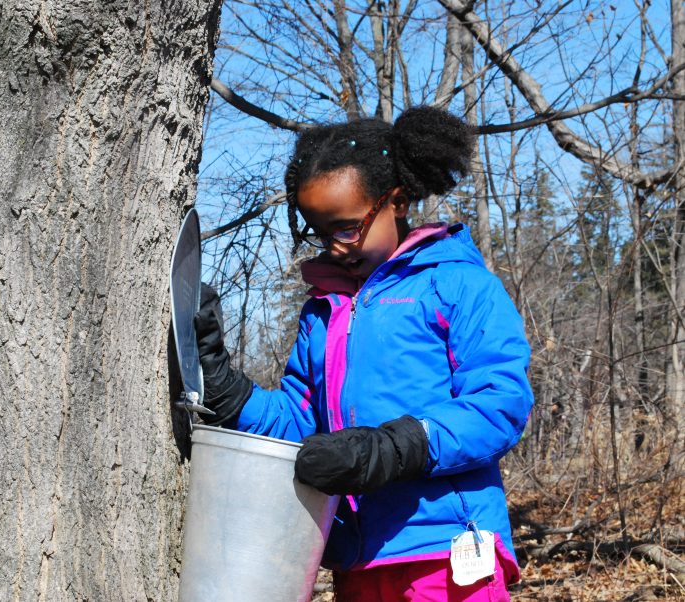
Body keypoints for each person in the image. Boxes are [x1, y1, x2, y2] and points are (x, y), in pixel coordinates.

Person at [194, 106, 533, 601]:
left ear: (394, 201)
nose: (334, 248)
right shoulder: (323, 310)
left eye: (347, 228)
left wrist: (395, 447)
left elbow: (499, 404)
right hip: (353, 554)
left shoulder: (459, 285)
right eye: (319, 230)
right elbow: (298, 422)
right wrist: (229, 391)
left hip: (446, 554)